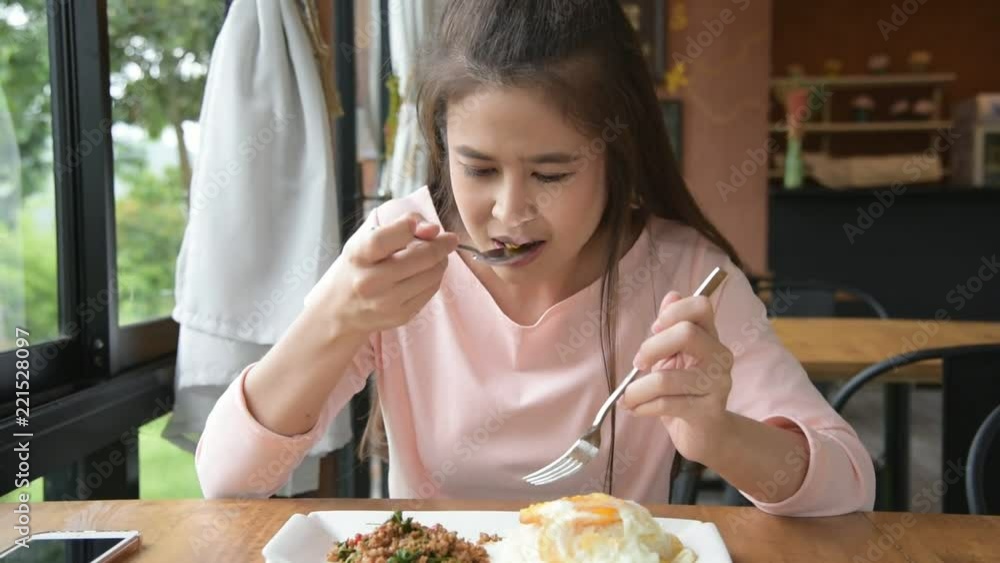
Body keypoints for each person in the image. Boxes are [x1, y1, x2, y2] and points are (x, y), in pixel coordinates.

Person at [195, 0, 875, 516]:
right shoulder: (398, 247)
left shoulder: (684, 275)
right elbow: (225, 478)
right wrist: (333, 318)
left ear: (618, 152)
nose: (509, 211)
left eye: (551, 174)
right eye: (478, 168)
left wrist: (719, 435)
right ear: (441, 146)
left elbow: (851, 484)